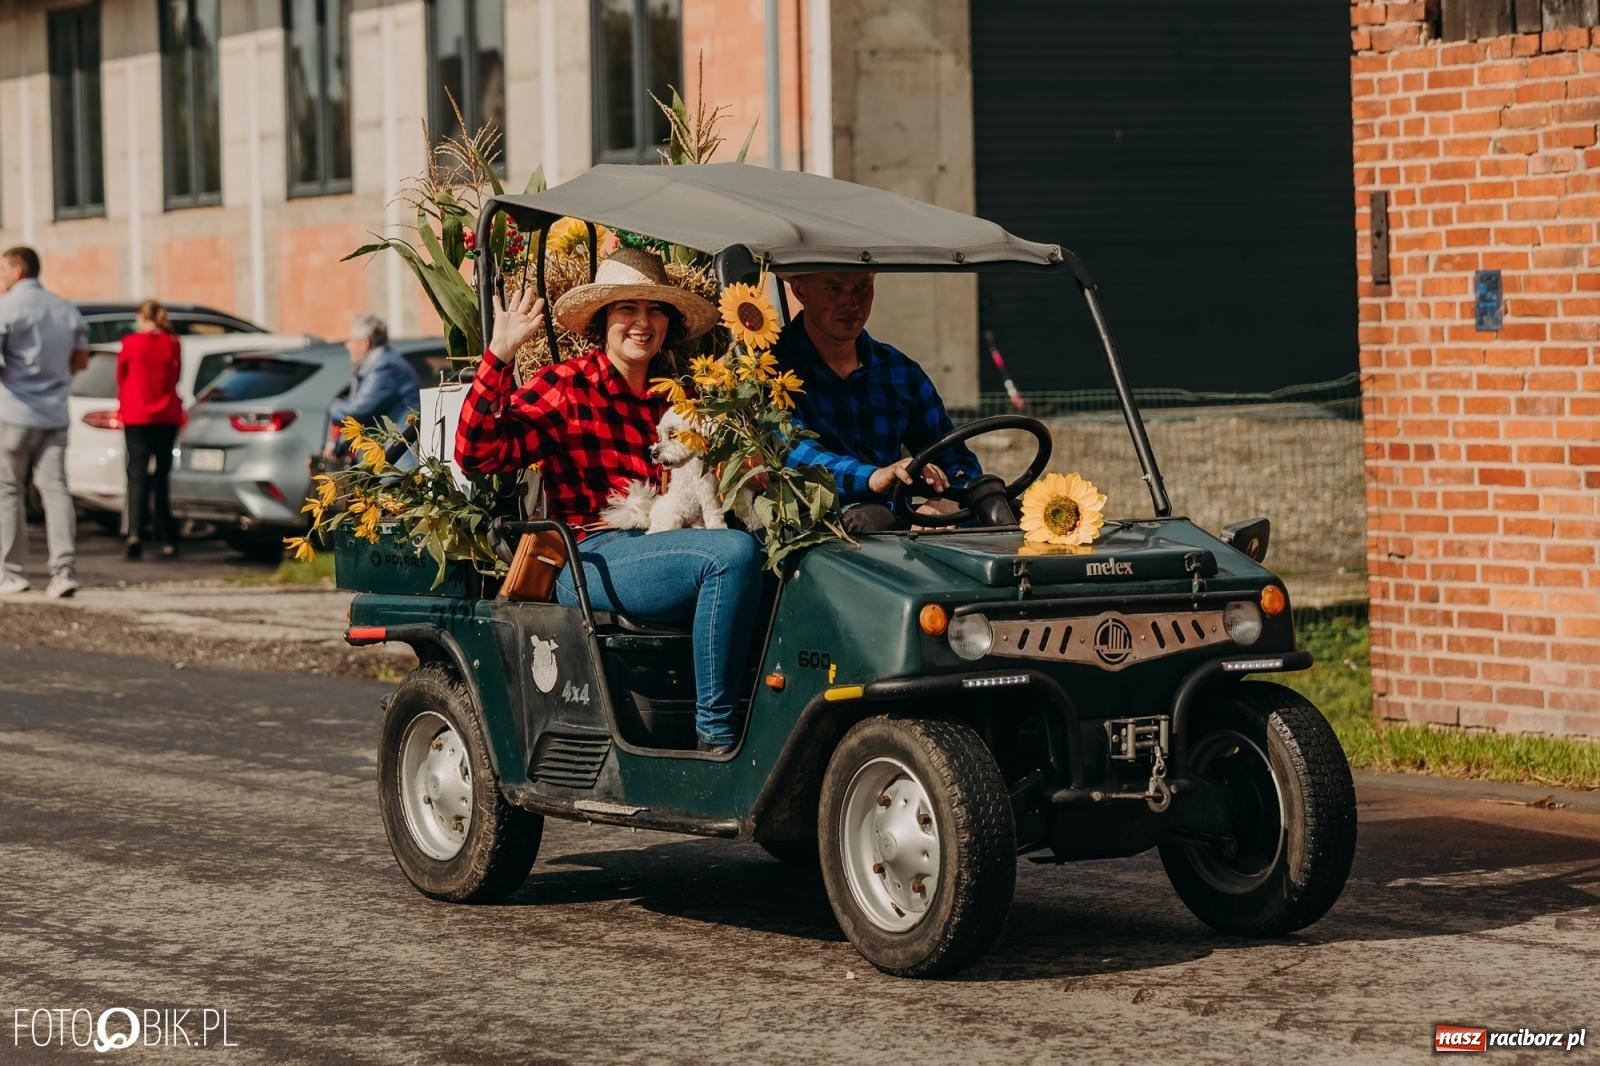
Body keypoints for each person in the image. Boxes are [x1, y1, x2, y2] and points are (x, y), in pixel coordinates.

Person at [455, 247, 762, 755]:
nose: (642, 323)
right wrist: (500, 356)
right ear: (603, 322)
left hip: (672, 541)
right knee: (730, 555)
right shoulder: (565, 387)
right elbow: (477, 453)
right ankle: (718, 735)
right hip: (592, 555)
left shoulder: (679, 400)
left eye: (654, 310)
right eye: (627, 310)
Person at [774, 271, 982, 533]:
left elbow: (956, 458)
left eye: (862, 287)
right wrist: (873, 477)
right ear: (799, 291)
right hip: (808, 532)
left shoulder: (899, 370)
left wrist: (948, 499)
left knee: (999, 507)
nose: (851, 303)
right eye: (834, 288)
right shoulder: (767, 369)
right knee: (871, 519)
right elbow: (790, 452)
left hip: (892, 528)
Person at [0, 246, 88, 598]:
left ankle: (10, 572)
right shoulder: (66, 309)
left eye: (3, 270)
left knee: (8, 490)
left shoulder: (6, 307)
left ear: (18, 271)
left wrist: (19, 377)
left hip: (14, 412)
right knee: (56, 490)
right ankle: (63, 571)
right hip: (54, 412)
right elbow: (81, 360)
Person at [117, 299, 183, 559]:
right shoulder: (173, 344)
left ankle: (134, 533)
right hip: (166, 415)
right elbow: (175, 378)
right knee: (163, 476)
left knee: (136, 475)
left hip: (136, 416)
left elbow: (121, 377)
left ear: (141, 318)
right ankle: (167, 536)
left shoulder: (130, 343)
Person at [325, 313, 419, 456]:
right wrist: (337, 448)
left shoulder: (384, 365)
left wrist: (330, 410)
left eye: (350, 340)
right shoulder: (375, 364)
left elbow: (358, 410)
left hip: (398, 460)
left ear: (365, 343)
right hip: (388, 456)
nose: (347, 346)